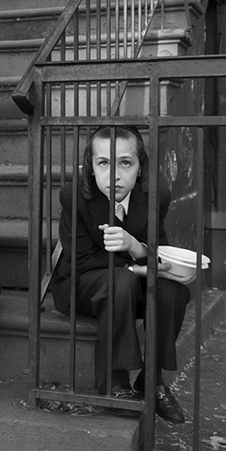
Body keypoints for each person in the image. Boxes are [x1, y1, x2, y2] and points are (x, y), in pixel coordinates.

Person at [49, 125, 193, 423]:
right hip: (82, 283)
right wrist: (136, 267)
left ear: (140, 169)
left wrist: (137, 248)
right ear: (91, 166)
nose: (114, 174)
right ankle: (115, 384)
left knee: (173, 291)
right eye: (103, 163)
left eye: (125, 163)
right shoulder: (74, 195)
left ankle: (151, 380)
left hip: (127, 283)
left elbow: (157, 248)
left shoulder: (156, 196)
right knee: (122, 281)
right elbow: (81, 260)